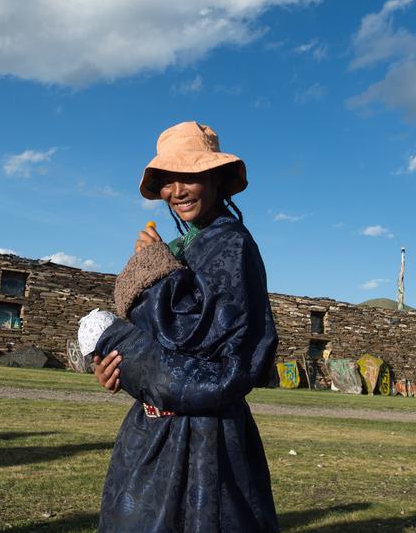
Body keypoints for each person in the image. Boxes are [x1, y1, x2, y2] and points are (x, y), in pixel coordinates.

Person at [92, 121, 279, 532]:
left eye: (189, 176)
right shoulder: (186, 245)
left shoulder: (231, 243)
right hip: (158, 424)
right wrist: (116, 363)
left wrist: (154, 270)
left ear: (215, 178)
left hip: (208, 435)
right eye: (167, 180)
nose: (176, 191)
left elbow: (198, 335)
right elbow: (159, 341)